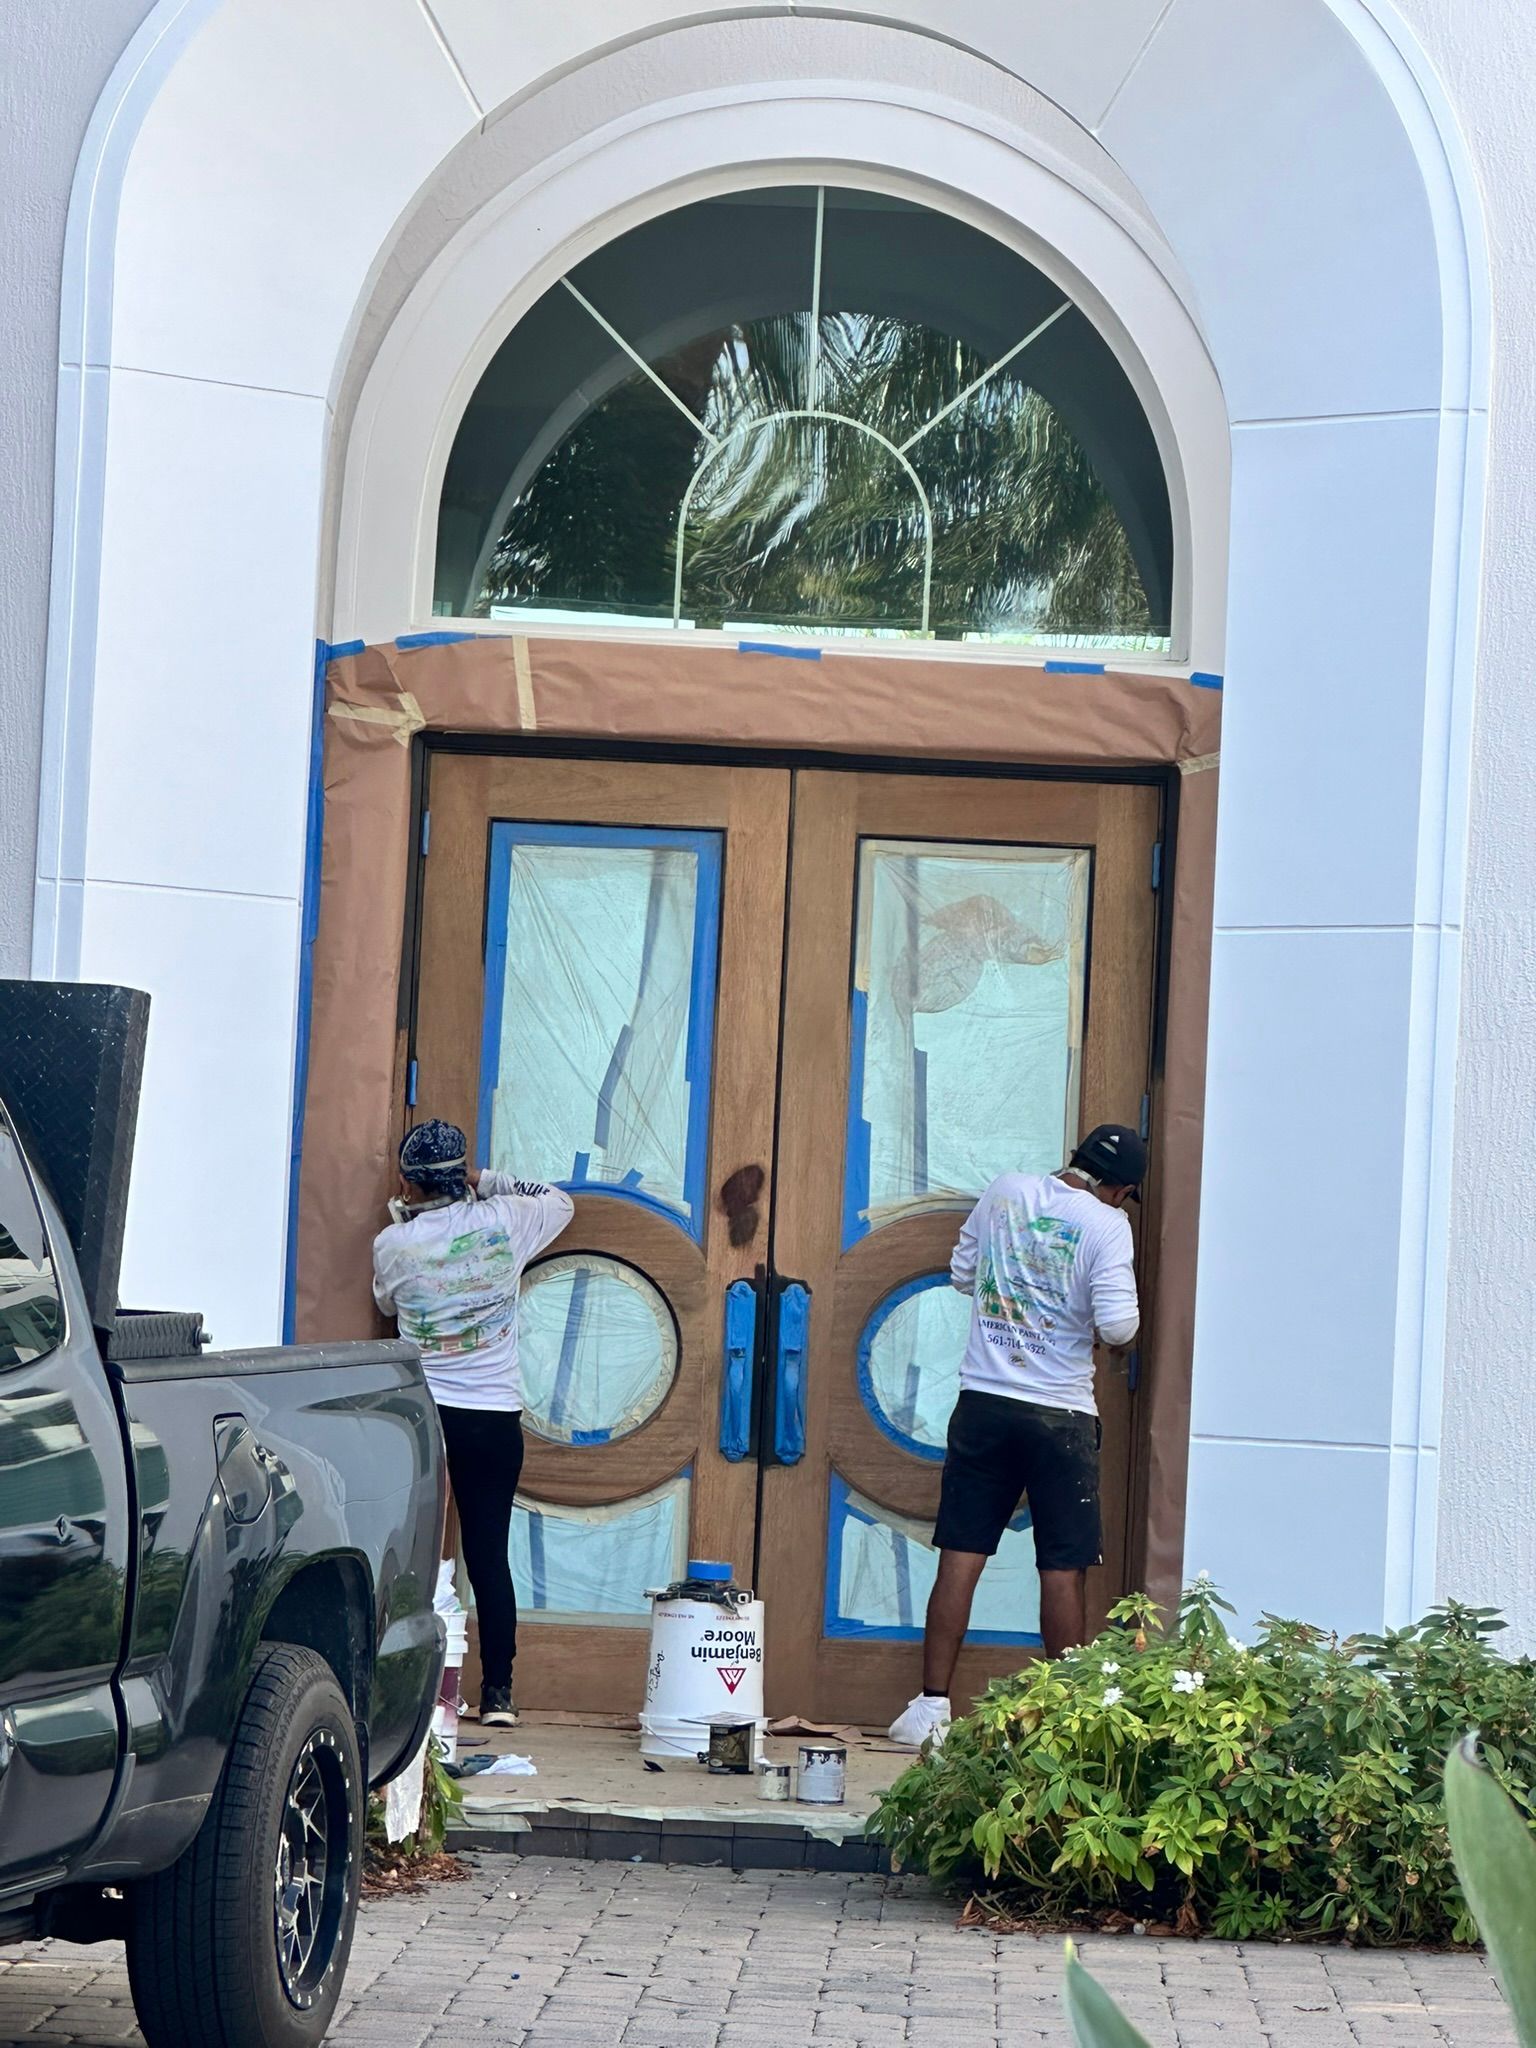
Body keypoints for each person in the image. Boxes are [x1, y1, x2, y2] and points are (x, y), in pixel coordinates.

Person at [888, 1123, 1145, 1748]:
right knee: (1062, 1568)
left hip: (984, 1404)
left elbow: (960, 1271)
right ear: (1119, 1188)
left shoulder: (1005, 1192)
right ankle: (1061, 1719)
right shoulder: (1108, 1225)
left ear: (1074, 1160)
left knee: (961, 1555)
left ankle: (931, 1709)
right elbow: (1117, 1328)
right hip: (1061, 1417)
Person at [372, 1119, 573, 1727]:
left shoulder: (393, 1244)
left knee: (410, 1552)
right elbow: (560, 1201)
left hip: (424, 1416)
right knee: (488, 1555)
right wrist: (489, 1181)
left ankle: (409, 1696)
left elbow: (385, 1303)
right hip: (492, 1417)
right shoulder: (506, 1221)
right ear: (461, 1176)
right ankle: (500, 1695)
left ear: (407, 1181)